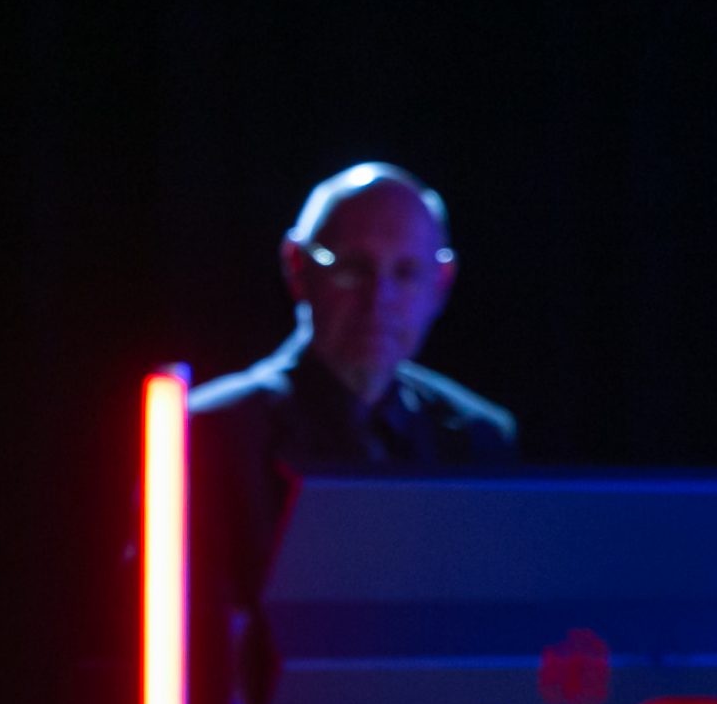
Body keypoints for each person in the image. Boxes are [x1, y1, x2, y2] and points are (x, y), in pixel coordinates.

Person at [189, 161, 518, 621]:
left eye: (406, 272)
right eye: (353, 268)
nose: (379, 299)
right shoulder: (213, 434)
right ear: (297, 266)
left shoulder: (476, 439)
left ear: (441, 284)